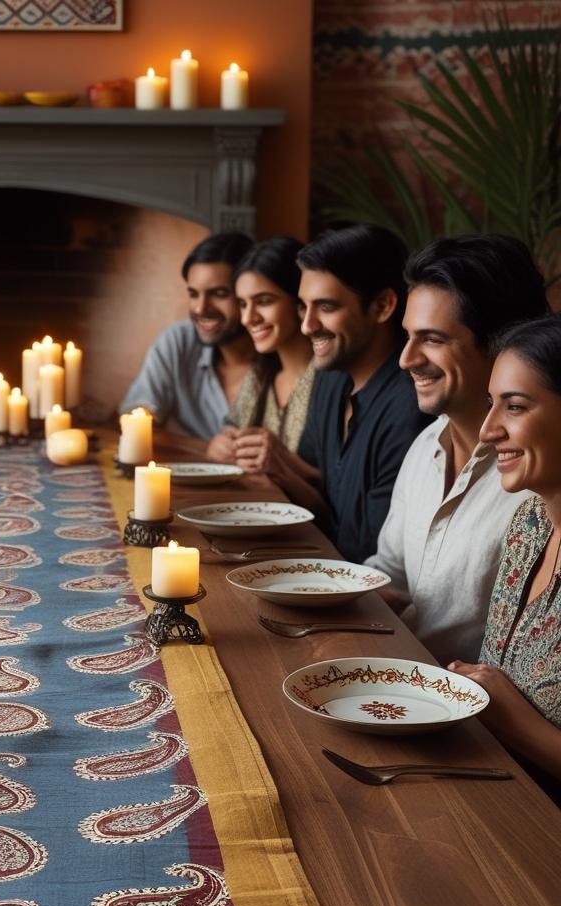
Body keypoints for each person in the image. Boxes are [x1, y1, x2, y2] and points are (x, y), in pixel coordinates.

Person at [364, 236, 546, 663]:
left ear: (499, 343)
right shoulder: (425, 445)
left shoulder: (539, 479)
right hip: (394, 680)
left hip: (476, 722)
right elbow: (388, 572)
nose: (406, 359)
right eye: (408, 336)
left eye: (432, 339)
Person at [273, 224, 430, 562]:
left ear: (383, 306)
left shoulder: (411, 406)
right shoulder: (328, 380)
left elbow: (371, 551)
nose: (307, 325)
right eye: (303, 306)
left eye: (326, 307)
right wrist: (273, 461)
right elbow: (321, 495)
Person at [450, 316, 561, 793]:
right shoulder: (528, 523)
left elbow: (505, 710)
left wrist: (518, 725)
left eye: (514, 406)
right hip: (492, 787)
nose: (488, 429)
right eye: (490, 405)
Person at [118, 230, 255, 458]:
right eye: (193, 294)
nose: (201, 308)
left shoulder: (278, 359)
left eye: (219, 294)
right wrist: (205, 448)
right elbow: (134, 419)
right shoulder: (178, 341)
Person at [226, 236, 318, 475]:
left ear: (300, 300)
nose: (248, 318)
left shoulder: (330, 381)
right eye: (243, 304)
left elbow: (344, 488)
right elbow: (231, 435)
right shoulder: (261, 375)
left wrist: (280, 458)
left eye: (264, 301)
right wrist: (221, 447)